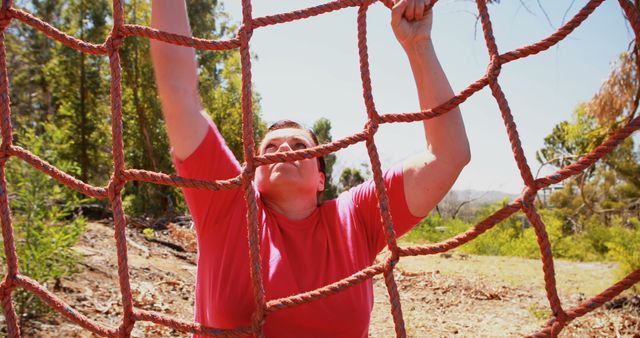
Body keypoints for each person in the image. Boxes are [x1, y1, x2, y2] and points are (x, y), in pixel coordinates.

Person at [151, 0, 470, 336]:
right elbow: (178, 92)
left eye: (300, 146)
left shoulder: (355, 217)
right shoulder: (229, 209)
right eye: (270, 147)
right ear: (255, 173)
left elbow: (449, 154)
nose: (284, 148)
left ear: (321, 179)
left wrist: (419, 45)